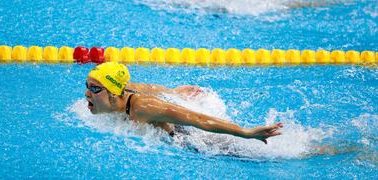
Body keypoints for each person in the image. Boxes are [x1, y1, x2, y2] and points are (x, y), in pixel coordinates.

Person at [85, 62, 283, 143]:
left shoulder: (143, 107)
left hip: (190, 141)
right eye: (87, 85)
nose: (87, 93)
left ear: (113, 93)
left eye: (94, 89)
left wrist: (245, 132)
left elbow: (197, 118)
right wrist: (174, 92)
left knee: (251, 154)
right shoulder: (121, 89)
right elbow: (150, 87)